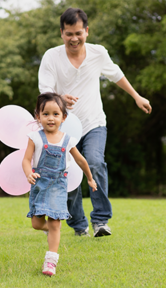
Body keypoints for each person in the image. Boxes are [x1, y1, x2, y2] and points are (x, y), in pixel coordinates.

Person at [38, 7, 152, 237]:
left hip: (93, 123)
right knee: (67, 174)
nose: (74, 38)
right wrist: (59, 99)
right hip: (64, 128)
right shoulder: (51, 56)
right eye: (69, 33)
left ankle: (100, 221)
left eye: (78, 33)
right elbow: (45, 91)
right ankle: (79, 225)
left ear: (87, 31)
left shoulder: (98, 53)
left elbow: (116, 74)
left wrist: (136, 96)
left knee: (94, 162)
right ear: (61, 33)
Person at [22, 92, 97, 276]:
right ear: (38, 116)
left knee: (55, 222)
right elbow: (26, 159)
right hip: (39, 185)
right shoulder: (35, 137)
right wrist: (28, 173)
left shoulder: (68, 140)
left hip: (57, 186)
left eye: (56, 114)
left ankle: (50, 261)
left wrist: (90, 177)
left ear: (63, 117)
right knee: (36, 224)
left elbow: (81, 161)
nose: (50, 118)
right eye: (45, 113)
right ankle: (52, 228)